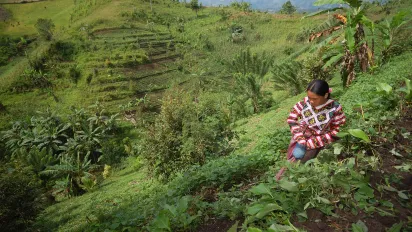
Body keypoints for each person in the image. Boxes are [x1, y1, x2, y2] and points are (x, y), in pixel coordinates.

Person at [276, 80, 346, 180]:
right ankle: (283, 179)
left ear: (326, 95)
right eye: (309, 98)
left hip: (320, 139)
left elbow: (337, 130)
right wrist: (300, 137)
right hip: (302, 136)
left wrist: (314, 142)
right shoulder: (304, 103)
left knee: (305, 162)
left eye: (315, 99)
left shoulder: (335, 108)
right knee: (295, 157)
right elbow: (292, 119)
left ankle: (296, 179)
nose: (311, 101)